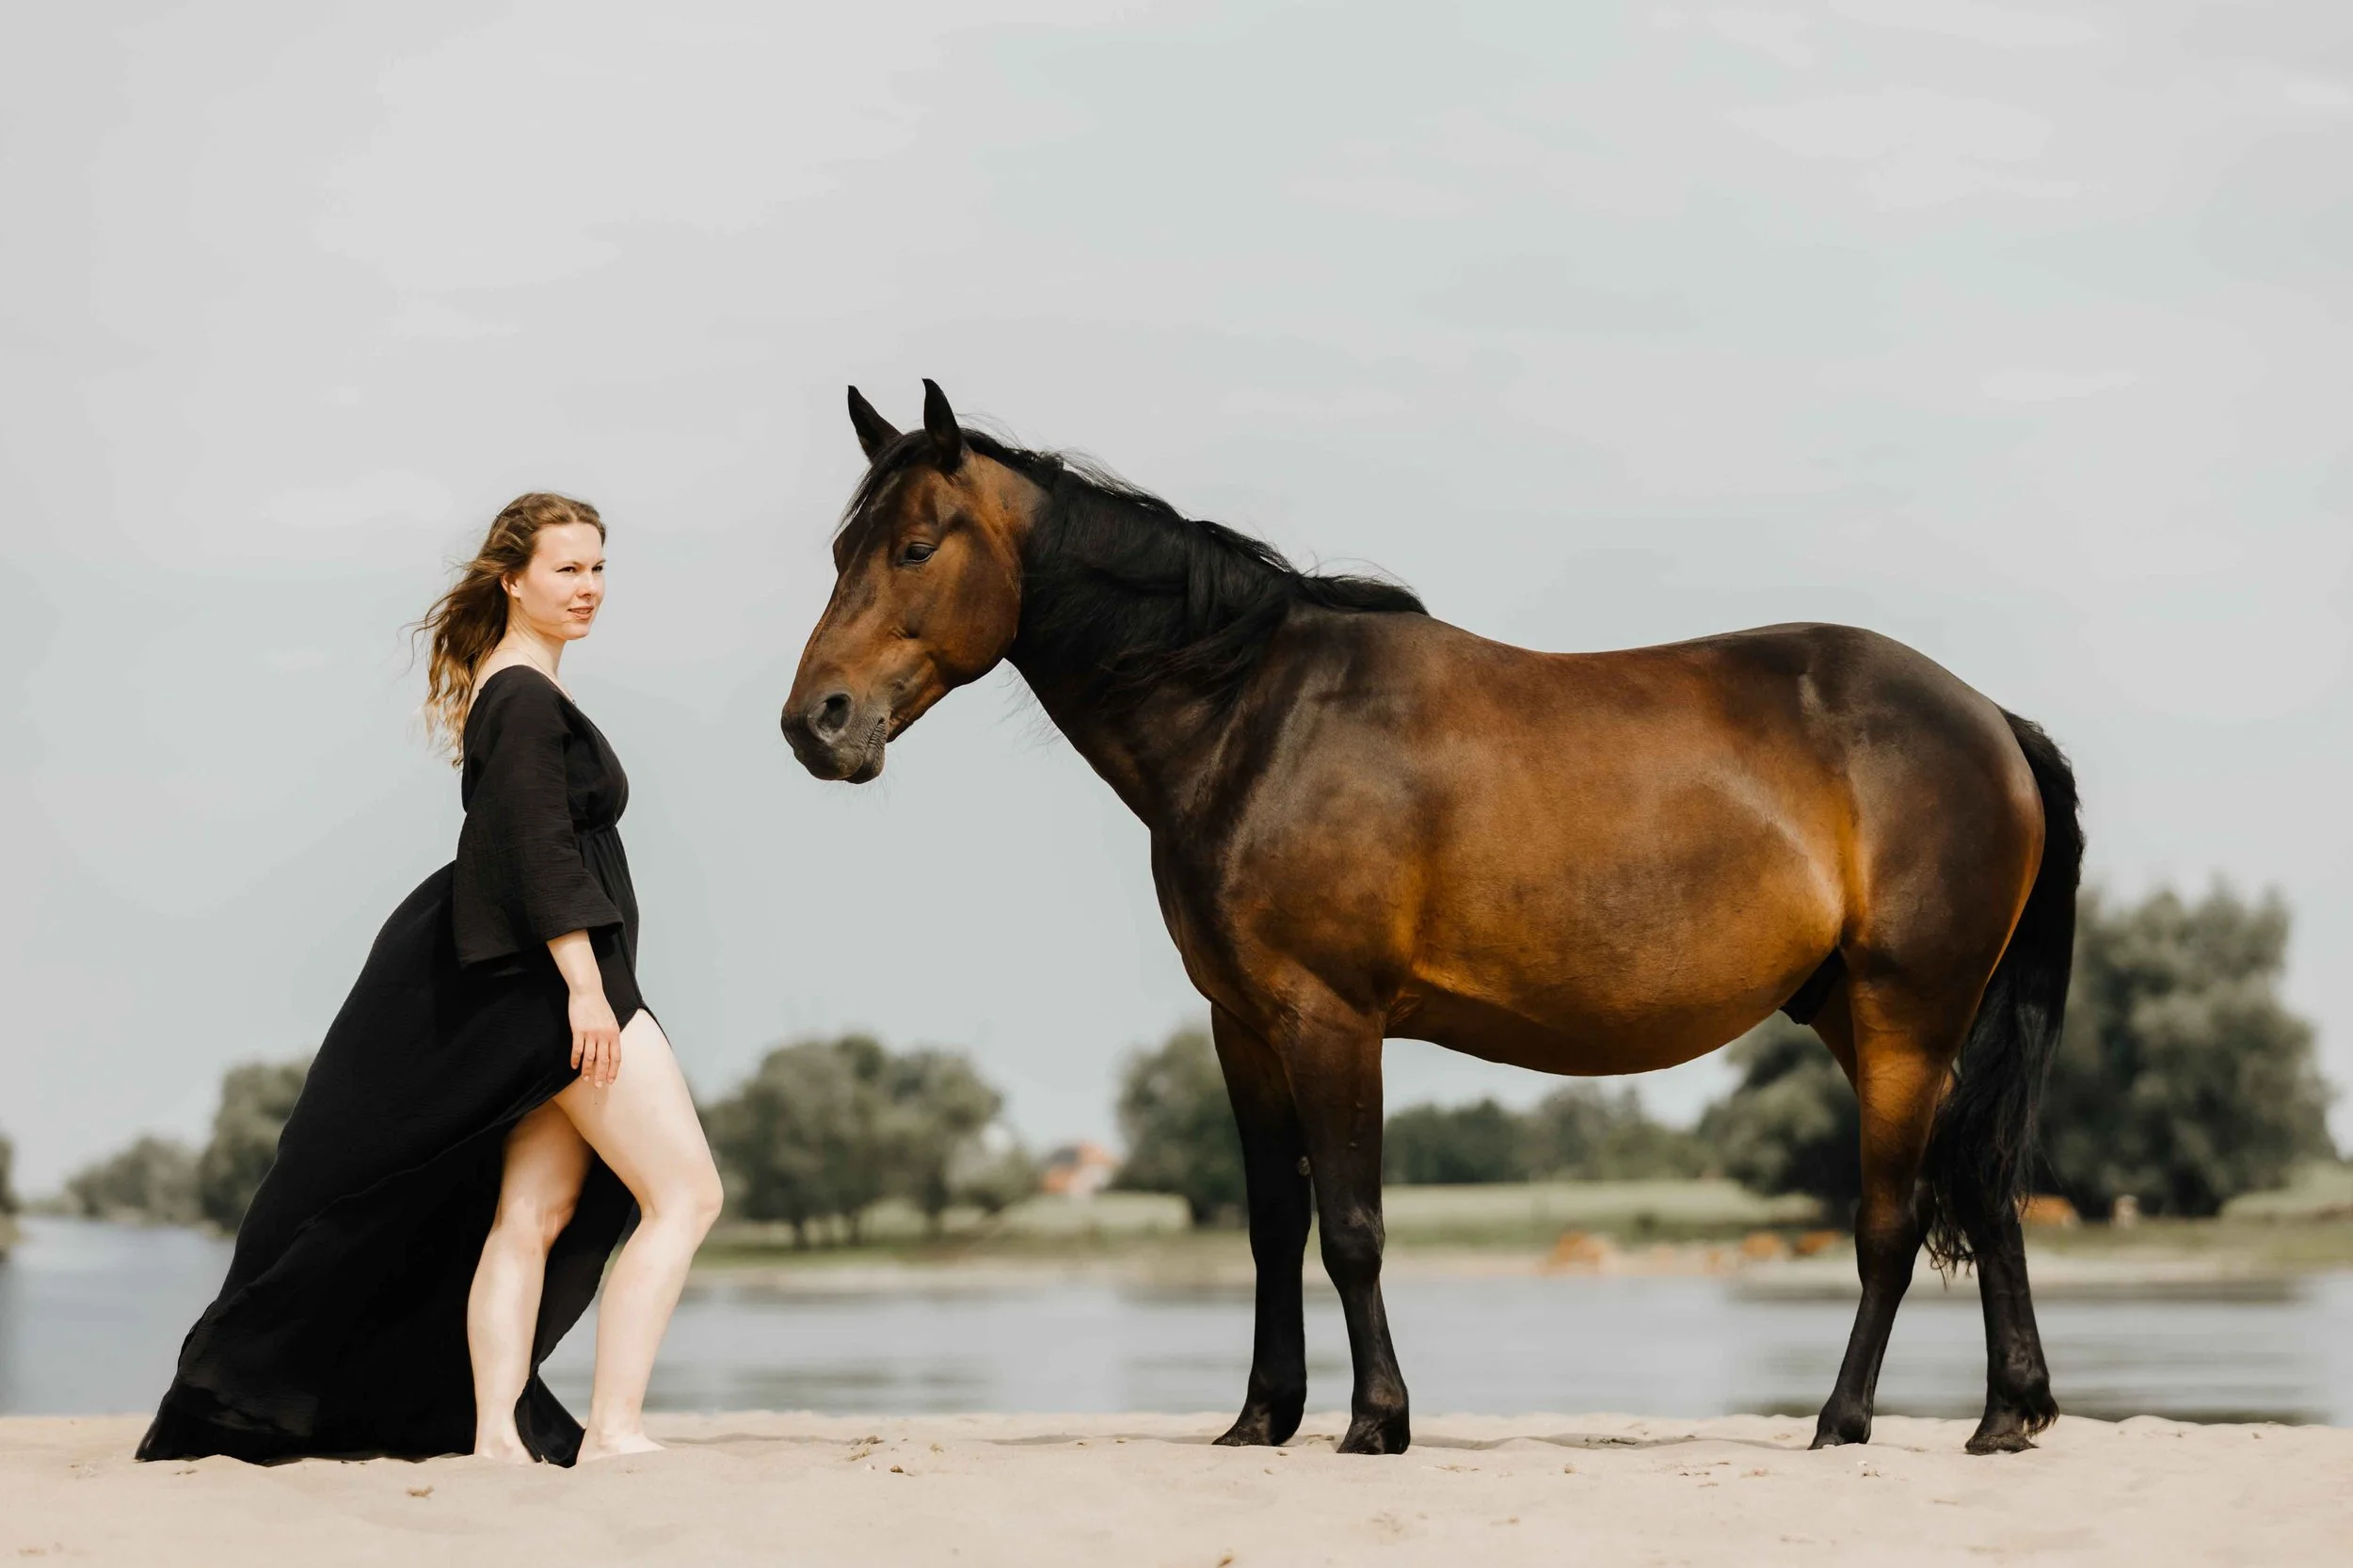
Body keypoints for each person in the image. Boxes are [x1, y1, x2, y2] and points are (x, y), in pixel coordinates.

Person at [138, 493, 723, 1466]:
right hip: (569, 987)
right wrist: (585, 989)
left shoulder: (512, 685)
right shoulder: (526, 695)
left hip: (542, 983)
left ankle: (493, 1434)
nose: (588, 588)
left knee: (529, 1214)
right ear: (514, 579)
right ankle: (616, 1428)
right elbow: (538, 852)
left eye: (597, 568)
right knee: (685, 1196)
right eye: (567, 569)